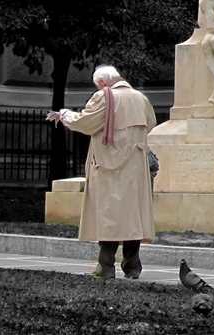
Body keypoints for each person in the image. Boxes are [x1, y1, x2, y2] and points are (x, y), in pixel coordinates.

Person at [46, 65, 156, 279]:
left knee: (110, 214)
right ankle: (132, 267)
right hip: (136, 165)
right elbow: (150, 124)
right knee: (133, 216)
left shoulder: (104, 97)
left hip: (109, 165)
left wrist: (65, 115)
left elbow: (86, 123)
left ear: (103, 83)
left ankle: (105, 266)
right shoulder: (140, 97)